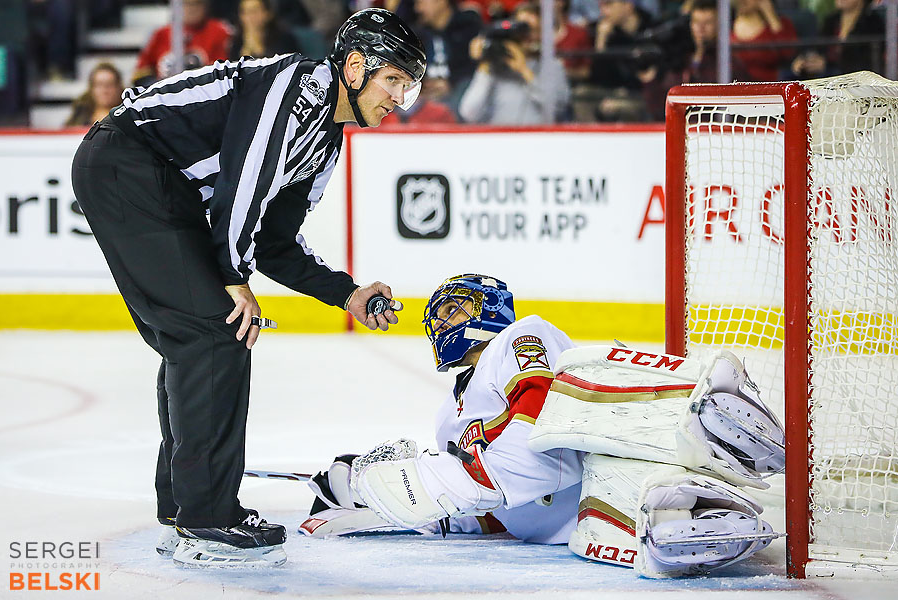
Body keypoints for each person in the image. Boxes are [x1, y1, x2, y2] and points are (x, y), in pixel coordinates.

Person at [71, 8, 426, 568]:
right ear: (355, 67)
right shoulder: (292, 86)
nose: (399, 99)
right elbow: (244, 186)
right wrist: (233, 277)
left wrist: (346, 293)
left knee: (201, 334)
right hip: (127, 162)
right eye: (394, 81)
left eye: (409, 87)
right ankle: (206, 517)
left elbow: (277, 241)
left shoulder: (326, 139)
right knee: (215, 331)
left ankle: (185, 505)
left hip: (162, 184)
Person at [300, 274, 785, 578]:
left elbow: (539, 413)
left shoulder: (517, 336)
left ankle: (690, 413)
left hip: (602, 465)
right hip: (581, 530)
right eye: (439, 315)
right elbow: (490, 513)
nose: (445, 321)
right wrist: (394, 510)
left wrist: (439, 481)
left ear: (489, 308)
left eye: (456, 308)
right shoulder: (447, 420)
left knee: (593, 391)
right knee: (664, 529)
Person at [458, 4, 571, 124]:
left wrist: (525, 71)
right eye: (521, 29)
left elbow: (557, 108)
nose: (526, 37)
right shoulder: (495, 66)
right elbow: (468, 113)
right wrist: (485, 66)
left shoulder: (552, 66)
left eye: (533, 30)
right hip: (500, 138)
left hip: (537, 138)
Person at [132, 0, 232, 86]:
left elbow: (226, 71)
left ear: (205, 6)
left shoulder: (220, 32)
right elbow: (141, 74)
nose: (191, 9)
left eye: (196, 4)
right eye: (186, 4)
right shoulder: (160, 34)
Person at [415, 0, 484, 114]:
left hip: (460, 90)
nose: (418, 9)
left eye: (421, 2)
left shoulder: (468, 26)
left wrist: (451, 82)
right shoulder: (418, 33)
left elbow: (477, 64)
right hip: (426, 94)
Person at [790, 0, 884, 79]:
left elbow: (868, 63)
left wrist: (826, 66)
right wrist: (805, 60)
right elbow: (817, 48)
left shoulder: (873, 23)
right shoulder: (831, 20)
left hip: (856, 80)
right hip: (827, 78)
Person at [731, 0, 797, 82]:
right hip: (734, 85)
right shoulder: (726, 25)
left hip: (771, 85)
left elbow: (787, 53)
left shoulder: (782, 24)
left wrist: (772, 17)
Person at [227, 0, 300, 60]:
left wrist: (258, 49)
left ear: (268, 14)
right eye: (245, 12)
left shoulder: (284, 38)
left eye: (254, 11)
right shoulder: (237, 42)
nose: (250, 17)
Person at [65, 63, 125, 127]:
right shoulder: (79, 118)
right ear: (91, 88)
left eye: (110, 84)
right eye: (99, 85)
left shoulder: (129, 118)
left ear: (119, 88)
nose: (104, 90)